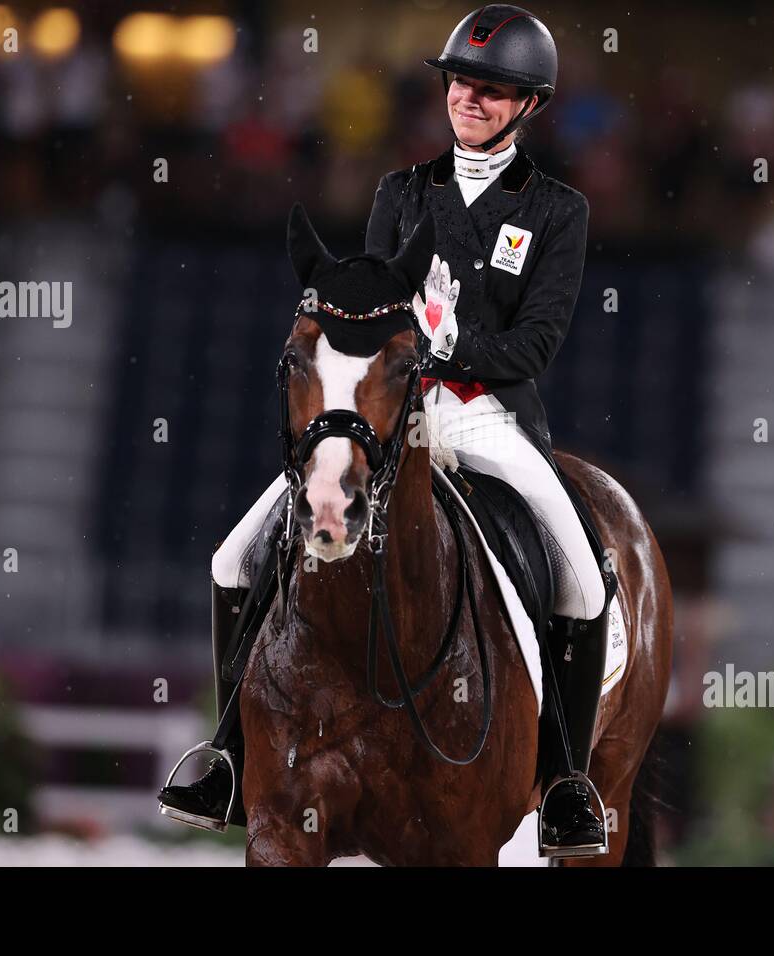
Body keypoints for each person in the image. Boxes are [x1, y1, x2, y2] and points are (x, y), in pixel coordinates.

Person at [160, 3, 610, 856]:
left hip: (486, 412)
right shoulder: (401, 192)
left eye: (492, 89)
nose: (469, 99)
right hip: (386, 412)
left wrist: (444, 345)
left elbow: (538, 341)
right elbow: (361, 305)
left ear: (528, 105)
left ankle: (564, 782)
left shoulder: (556, 211)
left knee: (580, 576)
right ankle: (226, 754)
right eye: (461, 83)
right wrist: (382, 348)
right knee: (232, 555)